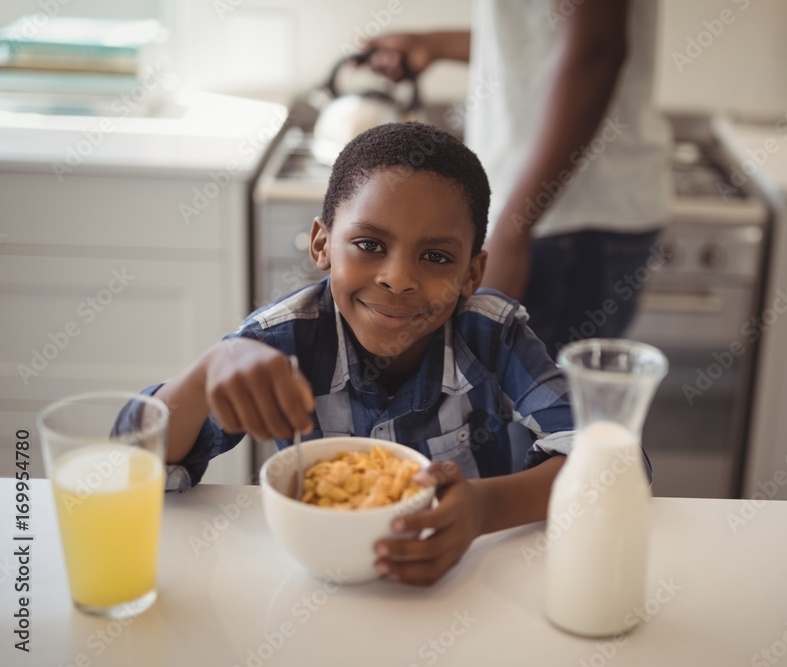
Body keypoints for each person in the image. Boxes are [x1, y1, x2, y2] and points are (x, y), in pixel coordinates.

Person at [143, 122, 574, 586]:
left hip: (466, 583)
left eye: (435, 257)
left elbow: (606, 460)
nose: (398, 278)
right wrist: (209, 368)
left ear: (472, 274)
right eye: (370, 245)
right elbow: (138, 463)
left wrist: (484, 507)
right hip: (319, 584)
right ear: (322, 244)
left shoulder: (493, 334)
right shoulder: (277, 342)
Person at [365, 0, 671, 358]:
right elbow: (536, 40)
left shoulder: (532, 231)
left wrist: (513, 230)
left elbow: (598, 48)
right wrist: (433, 44)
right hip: (551, 221)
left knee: (537, 407)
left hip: (566, 224)